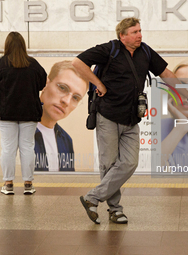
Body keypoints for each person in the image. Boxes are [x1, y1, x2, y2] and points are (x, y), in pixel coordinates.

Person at [72, 17, 181, 224]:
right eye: (134, 32)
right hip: (108, 115)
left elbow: (165, 73)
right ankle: (115, 210)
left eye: (140, 31)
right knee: (109, 163)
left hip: (132, 117)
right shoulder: (109, 50)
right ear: (122, 36)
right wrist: (98, 85)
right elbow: (77, 62)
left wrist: (185, 90)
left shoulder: (146, 52)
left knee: (130, 162)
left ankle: (92, 198)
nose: (140, 35)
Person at [0, 32, 47, 195]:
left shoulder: (0, 63)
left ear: (7, 45)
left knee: (8, 148)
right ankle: (28, 184)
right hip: (29, 111)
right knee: (27, 147)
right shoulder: (33, 64)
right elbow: (42, 83)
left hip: (6, 112)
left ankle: (8, 184)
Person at [34, 61, 88, 171]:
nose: (66, 101)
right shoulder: (18, 132)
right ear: (45, 84)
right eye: (62, 88)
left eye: (75, 98)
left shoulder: (66, 140)